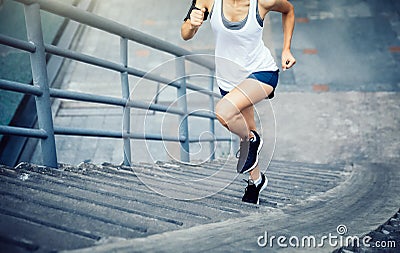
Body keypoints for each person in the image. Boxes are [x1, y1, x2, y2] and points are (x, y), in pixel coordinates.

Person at [181, 0, 296, 204]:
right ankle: (256, 181)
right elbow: (185, 34)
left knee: (224, 112)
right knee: (246, 130)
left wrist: (286, 49)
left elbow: (289, 10)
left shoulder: (263, 2)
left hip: (261, 72)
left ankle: (253, 140)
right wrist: (192, 24)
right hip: (228, 79)